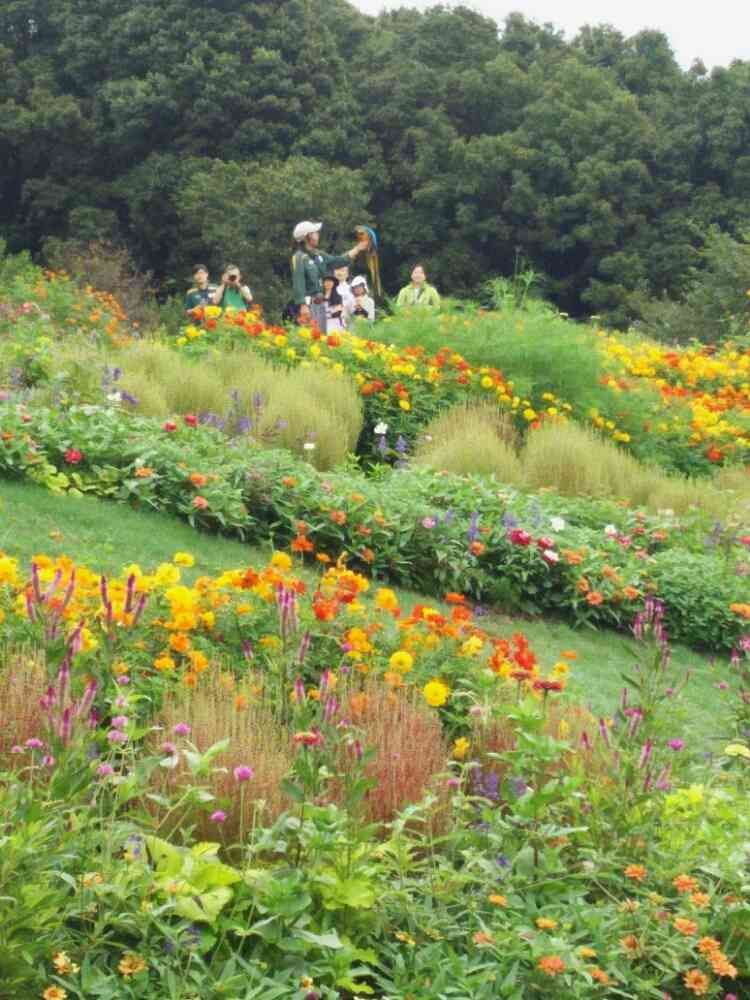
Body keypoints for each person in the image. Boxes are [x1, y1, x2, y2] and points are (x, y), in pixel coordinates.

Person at [291, 221, 368, 332]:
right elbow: (298, 282)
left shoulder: (319, 255)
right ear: (307, 236)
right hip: (307, 305)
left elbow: (338, 261)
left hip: (320, 304)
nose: (318, 235)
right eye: (315, 233)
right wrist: (302, 305)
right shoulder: (299, 257)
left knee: (321, 337)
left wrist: (358, 248)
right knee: (309, 338)